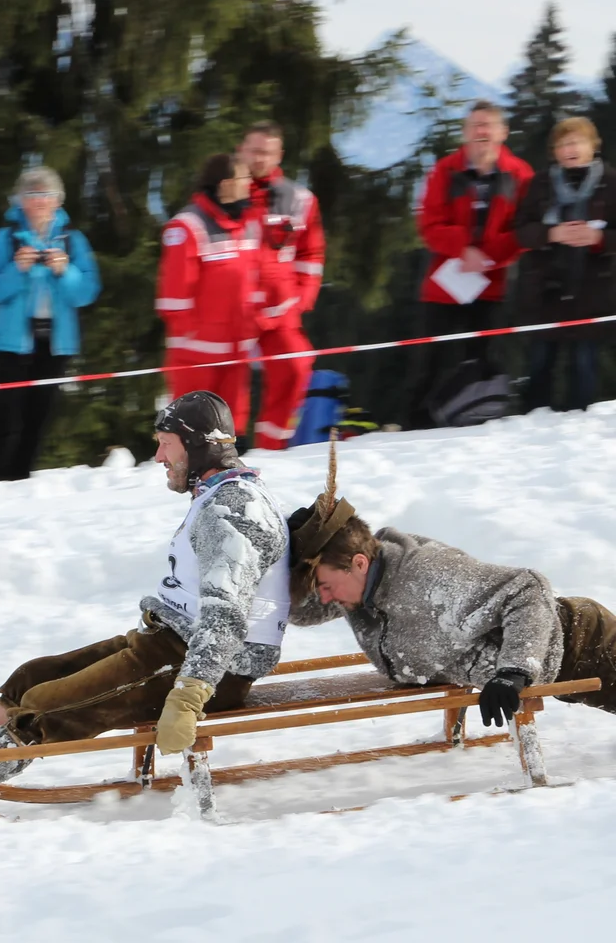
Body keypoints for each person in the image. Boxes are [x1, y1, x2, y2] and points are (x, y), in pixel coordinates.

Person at [0, 391, 291, 828]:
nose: (158, 457)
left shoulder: (232, 511)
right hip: (170, 643)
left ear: (195, 446)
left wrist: (191, 695)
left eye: (165, 445)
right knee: (32, 677)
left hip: (207, 668)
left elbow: (225, 615)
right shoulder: (222, 495)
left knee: (46, 707)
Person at [286, 446, 616, 730]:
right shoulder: (360, 586)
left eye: (326, 586)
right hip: (554, 659)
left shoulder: (427, 577)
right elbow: (305, 610)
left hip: (583, 643)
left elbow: (527, 589)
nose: (325, 597)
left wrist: (512, 671)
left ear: (359, 563)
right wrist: (280, 561)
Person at [407, 100, 534, 429]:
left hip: (491, 284)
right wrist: (463, 249)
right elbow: (428, 225)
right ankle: (416, 425)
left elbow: (524, 229)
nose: (481, 131)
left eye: (488, 125)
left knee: (482, 358)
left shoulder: (520, 175)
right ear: (464, 134)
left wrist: (489, 257)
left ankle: (474, 419)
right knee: (430, 359)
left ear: (502, 132)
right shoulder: (444, 170)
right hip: (444, 283)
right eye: (475, 125)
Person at [0, 166, 101, 482]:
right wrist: (16, 269)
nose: (40, 201)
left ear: (59, 200)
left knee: (38, 417)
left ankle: (20, 480)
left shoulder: (74, 241)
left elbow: (87, 291)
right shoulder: (4, 239)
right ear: (19, 200)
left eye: (47, 195)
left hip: (56, 343)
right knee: (5, 416)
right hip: (10, 343)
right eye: (32, 194)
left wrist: (65, 271)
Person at [515, 117, 616, 413]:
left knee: (585, 364)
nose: (569, 148)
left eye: (576, 141)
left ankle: (578, 427)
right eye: (562, 144)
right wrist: (551, 233)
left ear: (593, 146)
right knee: (539, 362)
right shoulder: (540, 183)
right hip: (546, 291)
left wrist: (598, 237)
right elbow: (521, 229)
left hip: (593, 291)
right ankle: (531, 421)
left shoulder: (611, 182)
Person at [156, 154, 258, 442]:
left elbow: (254, 279)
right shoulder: (187, 226)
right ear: (226, 184)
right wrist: (194, 338)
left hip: (237, 350)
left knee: (233, 432)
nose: (250, 184)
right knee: (194, 432)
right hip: (197, 355)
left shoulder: (248, 224)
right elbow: (173, 296)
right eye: (244, 178)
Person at [239, 122, 325, 450]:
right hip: (231, 312)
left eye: (267, 152)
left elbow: (311, 253)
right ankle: (217, 456)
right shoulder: (223, 192)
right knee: (223, 384)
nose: (259, 158)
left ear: (279, 155)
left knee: (296, 365)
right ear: (241, 150)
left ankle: (272, 449)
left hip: (279, 311)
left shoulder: (300, 199)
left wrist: (301, 298)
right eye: (254, 150)